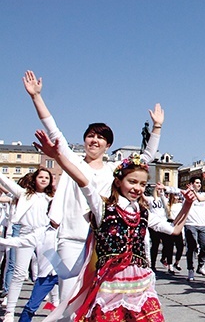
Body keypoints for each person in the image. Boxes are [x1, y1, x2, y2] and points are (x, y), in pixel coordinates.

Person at [22, 70, 163, 308]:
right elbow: (54, 131)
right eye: (90, 136)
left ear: (108, 145)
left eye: (100, 137)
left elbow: (145, 157)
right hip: (73, 238)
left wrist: (157, 128)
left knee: (98, 301)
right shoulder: (72, 161)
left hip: (103, 242)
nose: (94, 140)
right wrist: (36, 97)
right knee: (69, 299)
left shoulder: (114, 170)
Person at [34, 130, 195, 321]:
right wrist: (58, 157)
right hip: (110, 283)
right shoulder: (103, 207)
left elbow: (175, 229)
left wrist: (188, 204)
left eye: (143, 184)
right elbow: (83, 181)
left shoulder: (142, 212)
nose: (137, 188)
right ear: (118, 182)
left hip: (140, 283)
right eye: (132, 182)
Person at [0, 169, 55, 322]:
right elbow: (6, 182)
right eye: (41, 177)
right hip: (26, 234)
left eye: (47, 178)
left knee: (54, 271)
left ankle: (55, 304)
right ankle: (9, 312)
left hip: (46, 236)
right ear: (34, 178)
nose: (44, 180)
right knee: (19, 273)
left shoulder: (52, 198)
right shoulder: (24, 194)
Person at [182, 177, 205, 281]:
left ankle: (201, 266)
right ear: (191, 184)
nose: (199, 184)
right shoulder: (186, 194)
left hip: (202, 225)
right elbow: (174, 190)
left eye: (199, 183)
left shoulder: (204, 194)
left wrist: (194, 191)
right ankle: (190, 269)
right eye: (196, 183)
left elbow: (200, 199)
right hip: (190, 224)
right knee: (192, 246)